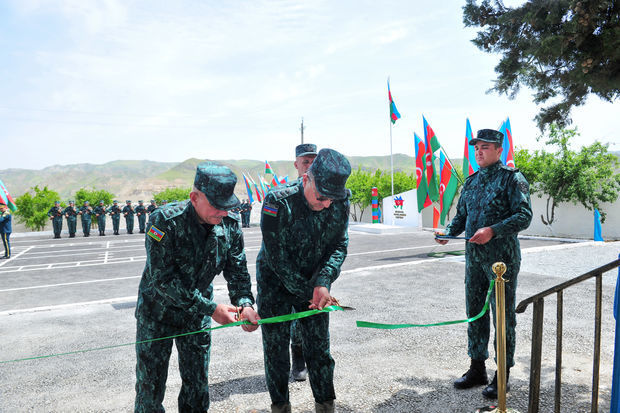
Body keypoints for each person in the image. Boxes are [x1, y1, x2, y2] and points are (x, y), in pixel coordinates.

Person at [134, 162, 260, 412]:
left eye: (227, 206)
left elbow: (237, 271)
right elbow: (163, 280)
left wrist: (245, 304)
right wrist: (212, 309)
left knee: (197, 387)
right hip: (157, 315)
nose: (222, 212)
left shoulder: (230, 225)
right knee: (150, 387)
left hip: (196, 316)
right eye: (216, 205)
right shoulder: (164, 221)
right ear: (194, 197)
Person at [435, 129, 532, 399]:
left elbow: (524, 216)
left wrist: (493, 230)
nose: (479, 152)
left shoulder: (512, 179)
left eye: (485, 147)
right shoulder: (472, 182)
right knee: (475, 314)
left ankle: (503, 373)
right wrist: (448, 233)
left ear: (499, 150)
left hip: (502, 261)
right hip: (474, 261)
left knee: (503, 317)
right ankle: (477, 368)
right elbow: (462, 216)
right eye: (476, 147)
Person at [257, 148, 351, 413]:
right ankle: (281, 407)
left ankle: (325, 405)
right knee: (275, 352)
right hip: (275, 283)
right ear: (306, 179)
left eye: (333, 199)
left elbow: (339, 245)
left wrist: (323, 281)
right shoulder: (277, 202)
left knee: (319, 349)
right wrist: (309, 291)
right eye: (321, 198)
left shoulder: (339, 200)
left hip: (315, 283)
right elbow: (277, 259)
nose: (327, 205)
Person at [288, 142, 318, 382]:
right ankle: (297, 357)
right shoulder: (285, 195)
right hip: (289, 270)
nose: (310, 165)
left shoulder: (324, 191)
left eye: (313, 161)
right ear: (297, 164)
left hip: (314, 269)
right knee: (293, 318)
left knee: (313, 315)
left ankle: (312, 357)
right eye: (305, 161)